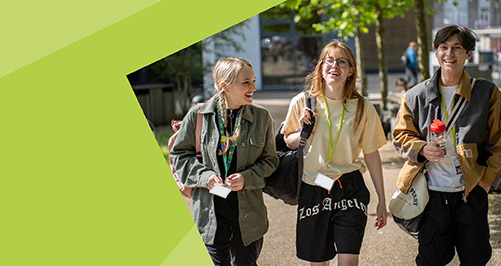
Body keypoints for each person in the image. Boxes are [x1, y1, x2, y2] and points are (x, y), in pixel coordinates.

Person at [393, 25, 501, 265]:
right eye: (443, 47)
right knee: (431, 259)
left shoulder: (487, 93)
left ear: (468, 54)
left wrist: (485, 183)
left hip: (471, 193)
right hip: (432, 194)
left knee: (475, 258)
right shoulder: (415, 95)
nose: (449, 54)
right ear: (435, 51)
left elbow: (499, 142)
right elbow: (400, 135)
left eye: (457, 48)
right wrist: (421, 148)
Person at [281, 40, 388, 266]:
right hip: (313, 187)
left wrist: (381, 199)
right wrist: (302, 132)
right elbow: (288, 143)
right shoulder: (303, 102)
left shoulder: (362, 107)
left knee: (348, 261)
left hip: (348, 186)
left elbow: (371, 154)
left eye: (341, 61)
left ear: (351, 70)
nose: (334, 66)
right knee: (318, 262)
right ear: (320, 67)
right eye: (328, 60)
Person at [170, 57, 279, 266]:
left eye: (254, 81)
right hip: (209, 214)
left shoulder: (262, 118)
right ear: (224, 85)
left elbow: (270, 162)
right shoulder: (198, 115)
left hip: (248, 216)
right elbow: (180, 155)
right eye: (246, 82)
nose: (254, 87)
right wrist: (206, 177)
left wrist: (246, 178)